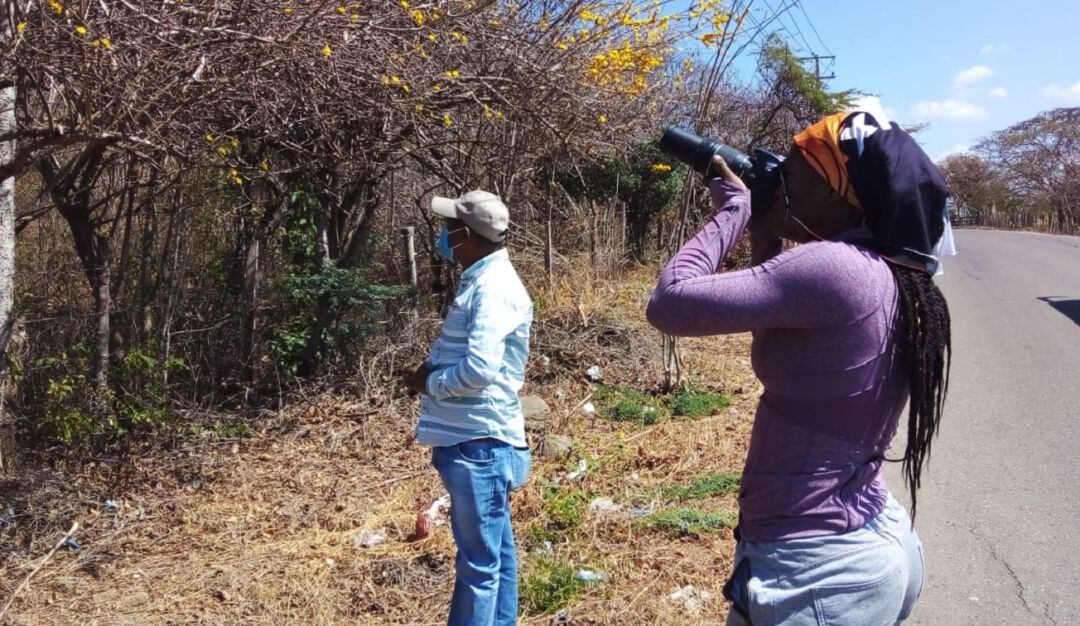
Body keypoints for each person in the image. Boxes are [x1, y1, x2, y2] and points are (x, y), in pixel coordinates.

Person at [646, 108, 952, 625]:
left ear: (838, 190)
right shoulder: (887, 273)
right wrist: (765, 230)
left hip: (817, 568)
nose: (779, 175)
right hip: (863, 541)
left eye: (792, 166)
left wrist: (734, 211)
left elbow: (670, 304)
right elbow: (785, 339)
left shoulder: (835, 270)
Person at [403, 190, 533, 626]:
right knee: (495, 556)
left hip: (479, 445)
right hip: (478, 441)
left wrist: (429, 382)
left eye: (449, 228)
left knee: (479, 566)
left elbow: (479, 368)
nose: (443, 235)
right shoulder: (482, 279)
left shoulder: (493, 288)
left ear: (466, 234)